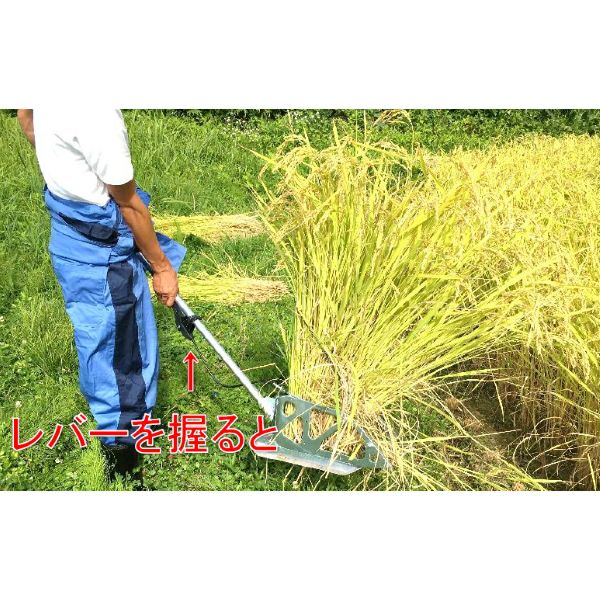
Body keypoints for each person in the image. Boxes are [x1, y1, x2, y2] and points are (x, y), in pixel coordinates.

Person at [17, 109, 186, 486]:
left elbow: (26, 117)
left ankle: (118, 432)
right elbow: (129, 205)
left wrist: (65, 170)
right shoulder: (97, 112)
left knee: (96, 339)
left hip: (69, 236)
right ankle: (124, 460)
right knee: (123, 355)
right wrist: (162, 268)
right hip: (102, 259)